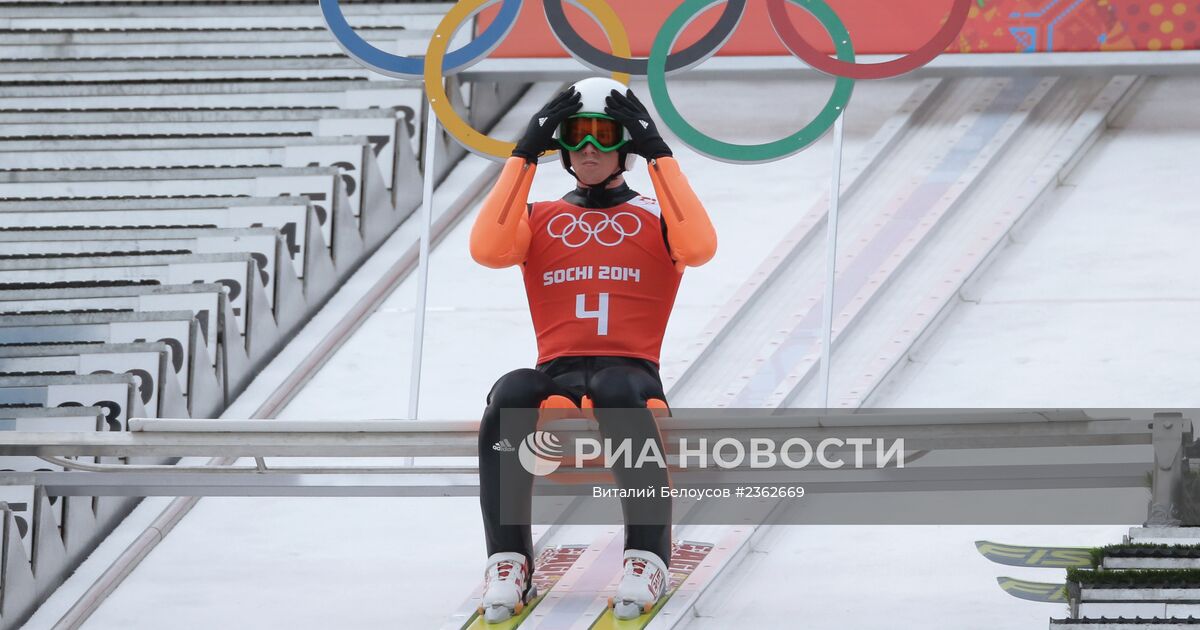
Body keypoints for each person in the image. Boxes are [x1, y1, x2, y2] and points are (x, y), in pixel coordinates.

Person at [468, 77, 717, 623]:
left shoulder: (656, 215)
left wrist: (659, 154)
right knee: (511, 389)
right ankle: (509, 560)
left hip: (631, 380)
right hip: (557, 382)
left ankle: (648, 557)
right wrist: (523, 154)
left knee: (615, 385)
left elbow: (699, 247)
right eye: (574, 135)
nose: (587, 149)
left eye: (604, 136)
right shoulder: (539, 216)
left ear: (626, 144)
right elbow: (487, 249)